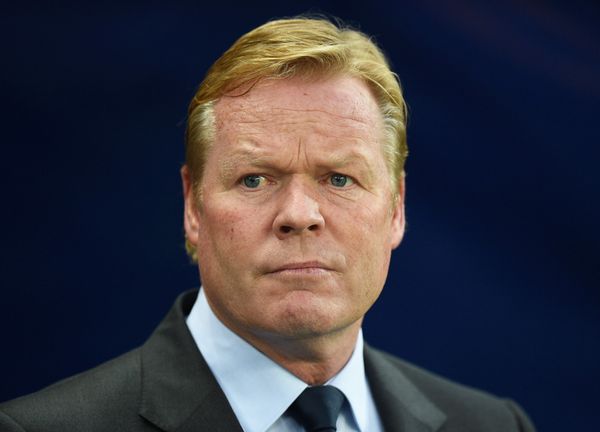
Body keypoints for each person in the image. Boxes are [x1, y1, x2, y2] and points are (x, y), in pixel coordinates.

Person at [0, 17, 535, 432]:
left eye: (340, 179)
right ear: (193, 207)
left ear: (396, 209)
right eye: (256, 179)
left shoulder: (492, 424)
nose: (300, 215)